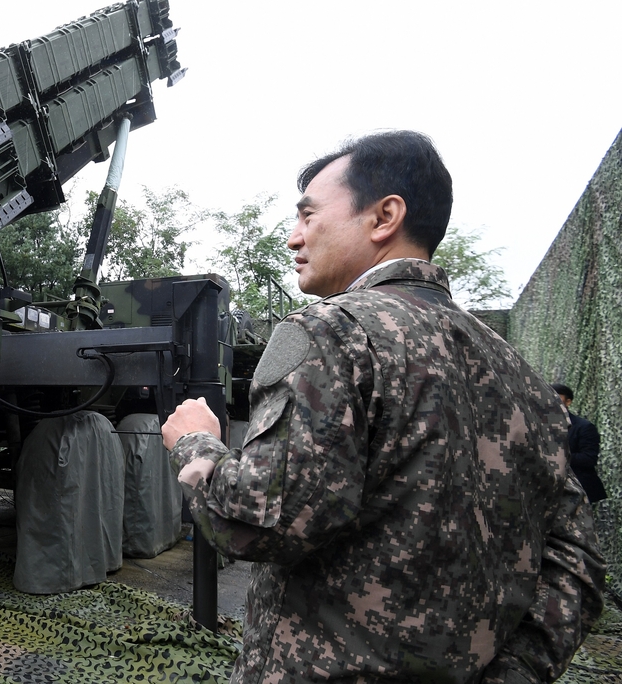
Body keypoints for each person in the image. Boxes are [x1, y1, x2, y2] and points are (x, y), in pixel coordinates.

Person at [162, 130, 604, 683]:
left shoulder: (332, 331)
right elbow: (578, 563)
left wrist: (196, 443)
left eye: (307, 216)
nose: (294, 238)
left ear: (384, 216)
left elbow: (257, 527)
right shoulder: (521, 376)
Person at [551, 383, 607, 503]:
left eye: (556, 398)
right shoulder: (540, 426)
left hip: (579, 489)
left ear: (568, 402)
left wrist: (557, 456)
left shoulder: (584, 427)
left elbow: (589, 458)